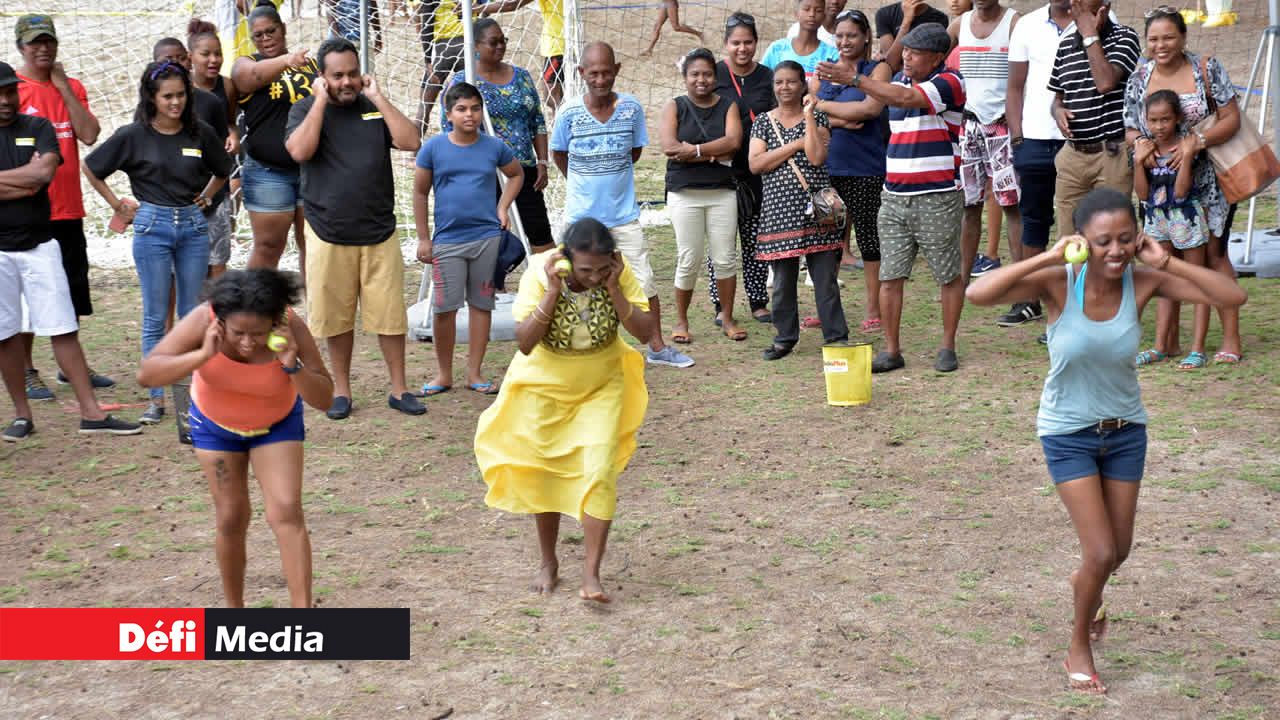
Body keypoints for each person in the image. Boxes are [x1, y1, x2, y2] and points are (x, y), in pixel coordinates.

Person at [965, 187, 1247, 695]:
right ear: (1081, 241)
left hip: (1125, 431)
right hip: (1067, 433)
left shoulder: (1144, 280)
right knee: (1098, 553)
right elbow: (977, 295)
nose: (1115, 250)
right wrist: (1048, 256)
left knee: (1118, 551)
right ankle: (1078, 644)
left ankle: (1085, 587)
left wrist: (1168, 262)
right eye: (1102, 241)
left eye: (1124, 238)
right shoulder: (1058, 282)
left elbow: (1232, 297)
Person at [474, 218, 656, 604]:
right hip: (543, 387)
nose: (594, 277)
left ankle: (591, 574)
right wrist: (552, 292)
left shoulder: (617, 274)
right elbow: (525, 343)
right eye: (586, 270)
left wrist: (615, 289)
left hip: (601, 386)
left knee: (599, 472)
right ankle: (548, 562)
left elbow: (645, 333)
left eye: (602, 269)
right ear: (567, 259)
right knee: (545, 473)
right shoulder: (540, 274)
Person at [137, 269, 334, 608]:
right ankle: (234, 611)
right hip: (215, 426)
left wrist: (292, 365)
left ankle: (303, 615)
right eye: (238, 332)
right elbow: (147, 374)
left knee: (286, 510)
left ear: (275, 322)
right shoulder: (203, 319)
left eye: (257, 334)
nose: (246, 343)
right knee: (231, 515)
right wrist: (202, 355)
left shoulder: (291, 325)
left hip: (277, 423)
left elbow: (326, 398)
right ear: (221, 321)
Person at [83, 61, 232, 425]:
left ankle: (195, 396)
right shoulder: (133, 135)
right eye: (167, 96)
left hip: (193, 227)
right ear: (151, 97)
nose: (175, 102)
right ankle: (157, 398)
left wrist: (206, 197)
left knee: (193, 314)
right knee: (155, 316)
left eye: (181, 95)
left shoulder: (200, 132)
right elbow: (91, 167)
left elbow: (224, 168)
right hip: (152, 227)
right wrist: (117, 205)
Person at [0, 62, 142, 441]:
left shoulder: (38, 127)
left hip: (41, 244)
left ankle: (91, 413)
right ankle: (22, 416)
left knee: (63, 327)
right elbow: (30, 179)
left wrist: (26, 180)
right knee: (6, 334)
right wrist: (24, 180)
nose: (5, 100)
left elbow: (42, 176)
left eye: (10, 91)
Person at [284, 38, 424, 420]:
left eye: (352, 73)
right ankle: (341, 390)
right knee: (336, 318)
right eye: (337, 75)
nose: (346, 82)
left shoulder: (372, 106)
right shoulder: (304, 109)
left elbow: (411, 140)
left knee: (390, 317)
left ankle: (399, 389)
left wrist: (378, 97)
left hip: (379, 230)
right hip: (328, 231)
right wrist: (319, 101)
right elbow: (299, 151)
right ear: (322, 76)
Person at [551, 42, 693, 369]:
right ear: (581, 73)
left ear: (616, 70)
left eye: (606, 73)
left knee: (644, 282)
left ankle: (657, 347)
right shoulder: (569, 113)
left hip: (623, 217)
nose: (600, 80)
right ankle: (574, 347)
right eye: (593, 73)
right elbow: (560, 154)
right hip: (581, 219)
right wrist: (583, 181)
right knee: (573, 283)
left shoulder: (631, 108)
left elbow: (634, 152)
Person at [1123, 7, 1243, 368]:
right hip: (1160, 186)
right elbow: (1131, 127)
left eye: (1169, 37)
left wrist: (1197, 142)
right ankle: (1167, 341)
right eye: (1153, 39)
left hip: (1209, 181)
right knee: (1166, 260)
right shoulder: (1139, 77)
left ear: (1184, 37)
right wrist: (1140, 146)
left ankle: (1230, 338)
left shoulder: (1206, 68)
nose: (1161, 45)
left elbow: (1231, 118)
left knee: (1214, 257)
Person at [847, 23, 966, 373]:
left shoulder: (950, 82)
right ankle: (892, 350)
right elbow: (890, 97)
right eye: (906, 51)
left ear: (938, 58)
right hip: (895, 195)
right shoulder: (899, 81)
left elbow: (905, 100)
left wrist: (853, 79)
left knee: (947, 275)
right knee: (890, 276)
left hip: (937, 196)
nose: (907, 58)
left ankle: (947, 345)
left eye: (916, 53)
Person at [12, 14, 113, 401]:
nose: (43, 48)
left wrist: (63, 88)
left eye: (48, 41)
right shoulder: (12, 90)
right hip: (28, 212)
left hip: (69, 210)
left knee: (70, 293)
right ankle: (27, 370)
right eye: (34, 42)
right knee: (25, 299)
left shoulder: (71, 86)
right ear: (21, 47)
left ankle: (70, 367)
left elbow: (89, 134)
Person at [414, 82, 523, 397]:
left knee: (481, 304)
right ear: (448, 114)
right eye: (461, 109)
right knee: (444, 308)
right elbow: (420, 193)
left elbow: (516, 174)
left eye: (475, 108)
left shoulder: (493, 147)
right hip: (447, 241)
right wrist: (424, 239)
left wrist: (502, 207)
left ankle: (474, 373)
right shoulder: (433, 149)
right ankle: (443, 374)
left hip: (486, 238)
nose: (469, 115)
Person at [748, 60, 848, 361]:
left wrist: (808, 118)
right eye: (779, 82)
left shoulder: (817, 117)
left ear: (803, 85)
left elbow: (816, 157)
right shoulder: (763, 121)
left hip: (816, 208)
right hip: (779, 211)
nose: (785, 87)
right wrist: (795, 146)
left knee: (825, 278)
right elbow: (756, 164)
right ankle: (784, 338)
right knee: (782, 282)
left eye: (791, 81)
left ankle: (836, 336)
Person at [438, 18, 553, 252]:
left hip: (524, 170)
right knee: (490, 240)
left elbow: (537, 121)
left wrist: (542, 161)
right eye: (493, 42)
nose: (500, 46)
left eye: (503, 41)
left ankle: (545, 275)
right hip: (484, 174)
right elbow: (449, 128)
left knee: (540, 234)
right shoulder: (463, 82)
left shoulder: (522, 77)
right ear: (475, 46)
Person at [812, 9, 892, 334]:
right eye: (840, 35)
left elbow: (870, 109)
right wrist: (842, 119)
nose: (845, 41)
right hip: (828, 168)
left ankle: (874, 309)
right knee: (827, 242)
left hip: (866, 167)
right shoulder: (825, 70)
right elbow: (809, 112)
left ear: (866, 36)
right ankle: (826, 309)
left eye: (852, 35)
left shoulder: (878, 70)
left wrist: (823, 108)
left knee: (869, 240)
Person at [661, 49, 743, 344]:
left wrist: (694, 151)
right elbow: (670, 147)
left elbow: (733, 142)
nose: (701, 79)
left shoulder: (728, 106)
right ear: (685, 77)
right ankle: (681, 321)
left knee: (725, 258)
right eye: (694, 74)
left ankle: (728, 318)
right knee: (689, 258)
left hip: (722, 192)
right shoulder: (674, 106)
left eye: (707, 74)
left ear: (715, 77)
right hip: (684, 194)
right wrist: (714, 153)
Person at [231, 0, 318, 271]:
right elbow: (250, 77)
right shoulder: (246, 63)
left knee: (312, 246)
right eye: (258, 35)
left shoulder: (310, 65)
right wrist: (286, 61)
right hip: (268, 173)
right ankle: (254, 300)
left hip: (312, 170)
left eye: (271, 31)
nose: (266, 38)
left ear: (283, 29)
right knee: (268, 247)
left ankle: (312, 301)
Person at [1004, 0, 1073, 335]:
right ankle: (1029, 298)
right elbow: (1015, 86)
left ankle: (1077, 300)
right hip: (1034, 138)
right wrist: (1018, 136)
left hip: (1080, 138)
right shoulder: (1027, 24)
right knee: (1033, 219)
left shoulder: (1100, 19)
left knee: (1080, 221)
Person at [1047, 0, 1140, 236]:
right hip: (1073, 156)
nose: (1078, 17)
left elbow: (1105, 83)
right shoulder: (1066, 45)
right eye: (1076, 11)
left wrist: (1090, 35)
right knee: (1069, 239)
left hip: (1112, 155)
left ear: (1105, 9)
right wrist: (1058, 112)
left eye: (1086, 12)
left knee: (1113, 235)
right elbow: (1058, 98)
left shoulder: (1125, 37)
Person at [948, 0, 1021, 286]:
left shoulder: (1014, 22)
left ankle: (1022, 288)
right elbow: (932, 55)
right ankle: (962, 282)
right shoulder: (960, 24)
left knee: (1011, 205)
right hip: (969, 125)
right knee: (969, 206)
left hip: (1003, 126)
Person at [710, 12, 774, 327]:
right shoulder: (714, 74)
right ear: (726, 44)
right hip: (721, 170)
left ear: (756, 43)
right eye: (736, 42)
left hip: (757, 171)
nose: (742, 48)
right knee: (721, 241)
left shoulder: (767, 76)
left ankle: (758, 301)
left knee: (755, 238)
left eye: (748, 42)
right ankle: (721, 305)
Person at [189, 19, 241, 278]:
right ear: (190, 57)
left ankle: (218, 301)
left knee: (218, 256)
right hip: (187, 181)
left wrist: (233, 134)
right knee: (191, 259)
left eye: (218, 54)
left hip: (218, 180)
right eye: (206, 54)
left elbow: (230, 122)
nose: (213, 60)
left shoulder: (227, 86)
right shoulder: (180, 90)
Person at [476, 0, 567, 114]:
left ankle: (564, 123)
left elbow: (512, 4)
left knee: (552, 97)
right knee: (558, 95)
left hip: (557, 48)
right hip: (565, 44)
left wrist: (475, 9)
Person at [413, 0, 466, 133]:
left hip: (443, 49)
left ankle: (415, 144)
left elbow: (427, 27)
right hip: (468, 47)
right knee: (468, 100)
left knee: (424, 105)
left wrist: (428, 61)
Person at [761, 0, 839, 78]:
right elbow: (762, 79)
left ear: (824, 16)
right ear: (796, 13)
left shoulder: (831, 55)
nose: (812, 14)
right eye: (806, 9)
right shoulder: (777, 49)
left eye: (818, 11)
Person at [876, 0, 950, 61]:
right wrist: (906, 21)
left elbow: (931, 60)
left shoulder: (939, 18)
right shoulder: (884, 14)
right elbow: (890, 63)